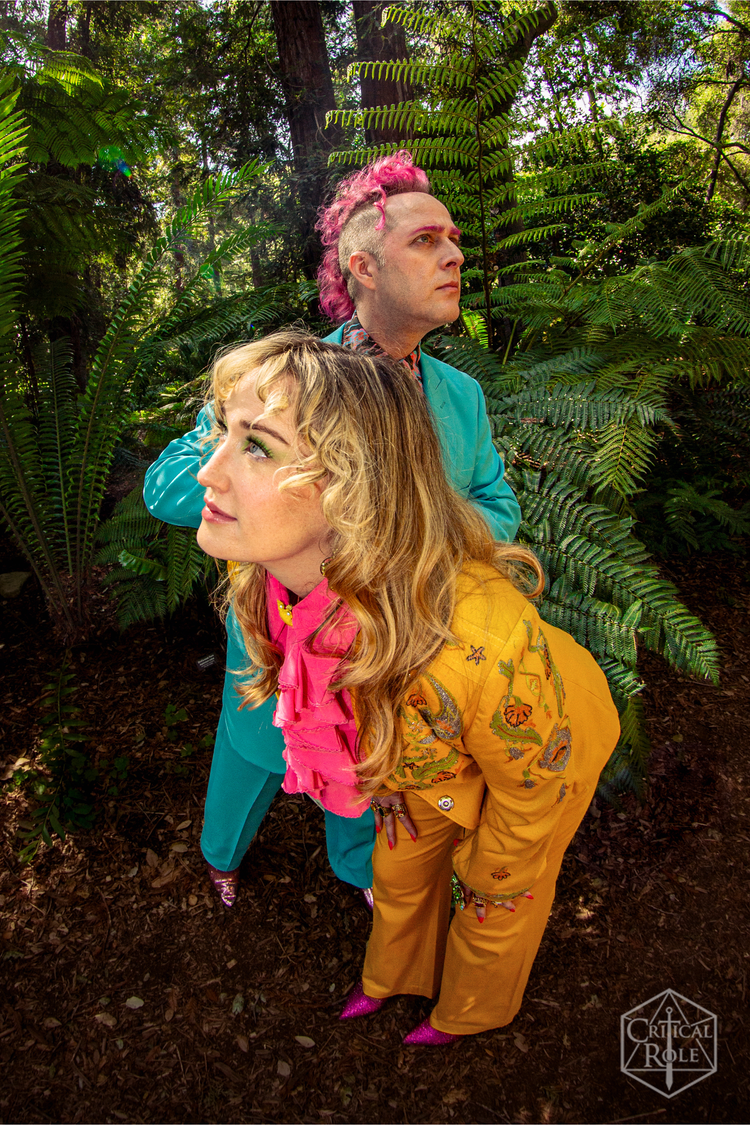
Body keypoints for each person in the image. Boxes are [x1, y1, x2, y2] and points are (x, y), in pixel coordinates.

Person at [196, 330, 620, 1044]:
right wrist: (392, 777)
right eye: (221, 432)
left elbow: (531, 785)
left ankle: (469, 1011)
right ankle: (393, 979)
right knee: (398, 866)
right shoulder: (273, 582)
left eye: (257, 445)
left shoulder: (479, 643)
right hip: (432, 760)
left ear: (355, 484)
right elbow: (340, 696)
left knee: (496, 895)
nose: (209, 472)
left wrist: (491, 860)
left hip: (541, 750)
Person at [143, 150, 522, 908]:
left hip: (397, 656)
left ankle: (363, 880)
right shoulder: (284, 383)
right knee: (248, 763)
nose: (453, 254)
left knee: (369, 784)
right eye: (425, 241)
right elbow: (170, 485)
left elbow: (497, 505)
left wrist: (413, 528)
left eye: (453, 238)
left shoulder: (463, 396)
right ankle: (221, 856)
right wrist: (288, 500)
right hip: (280, 656)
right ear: (364, 267)